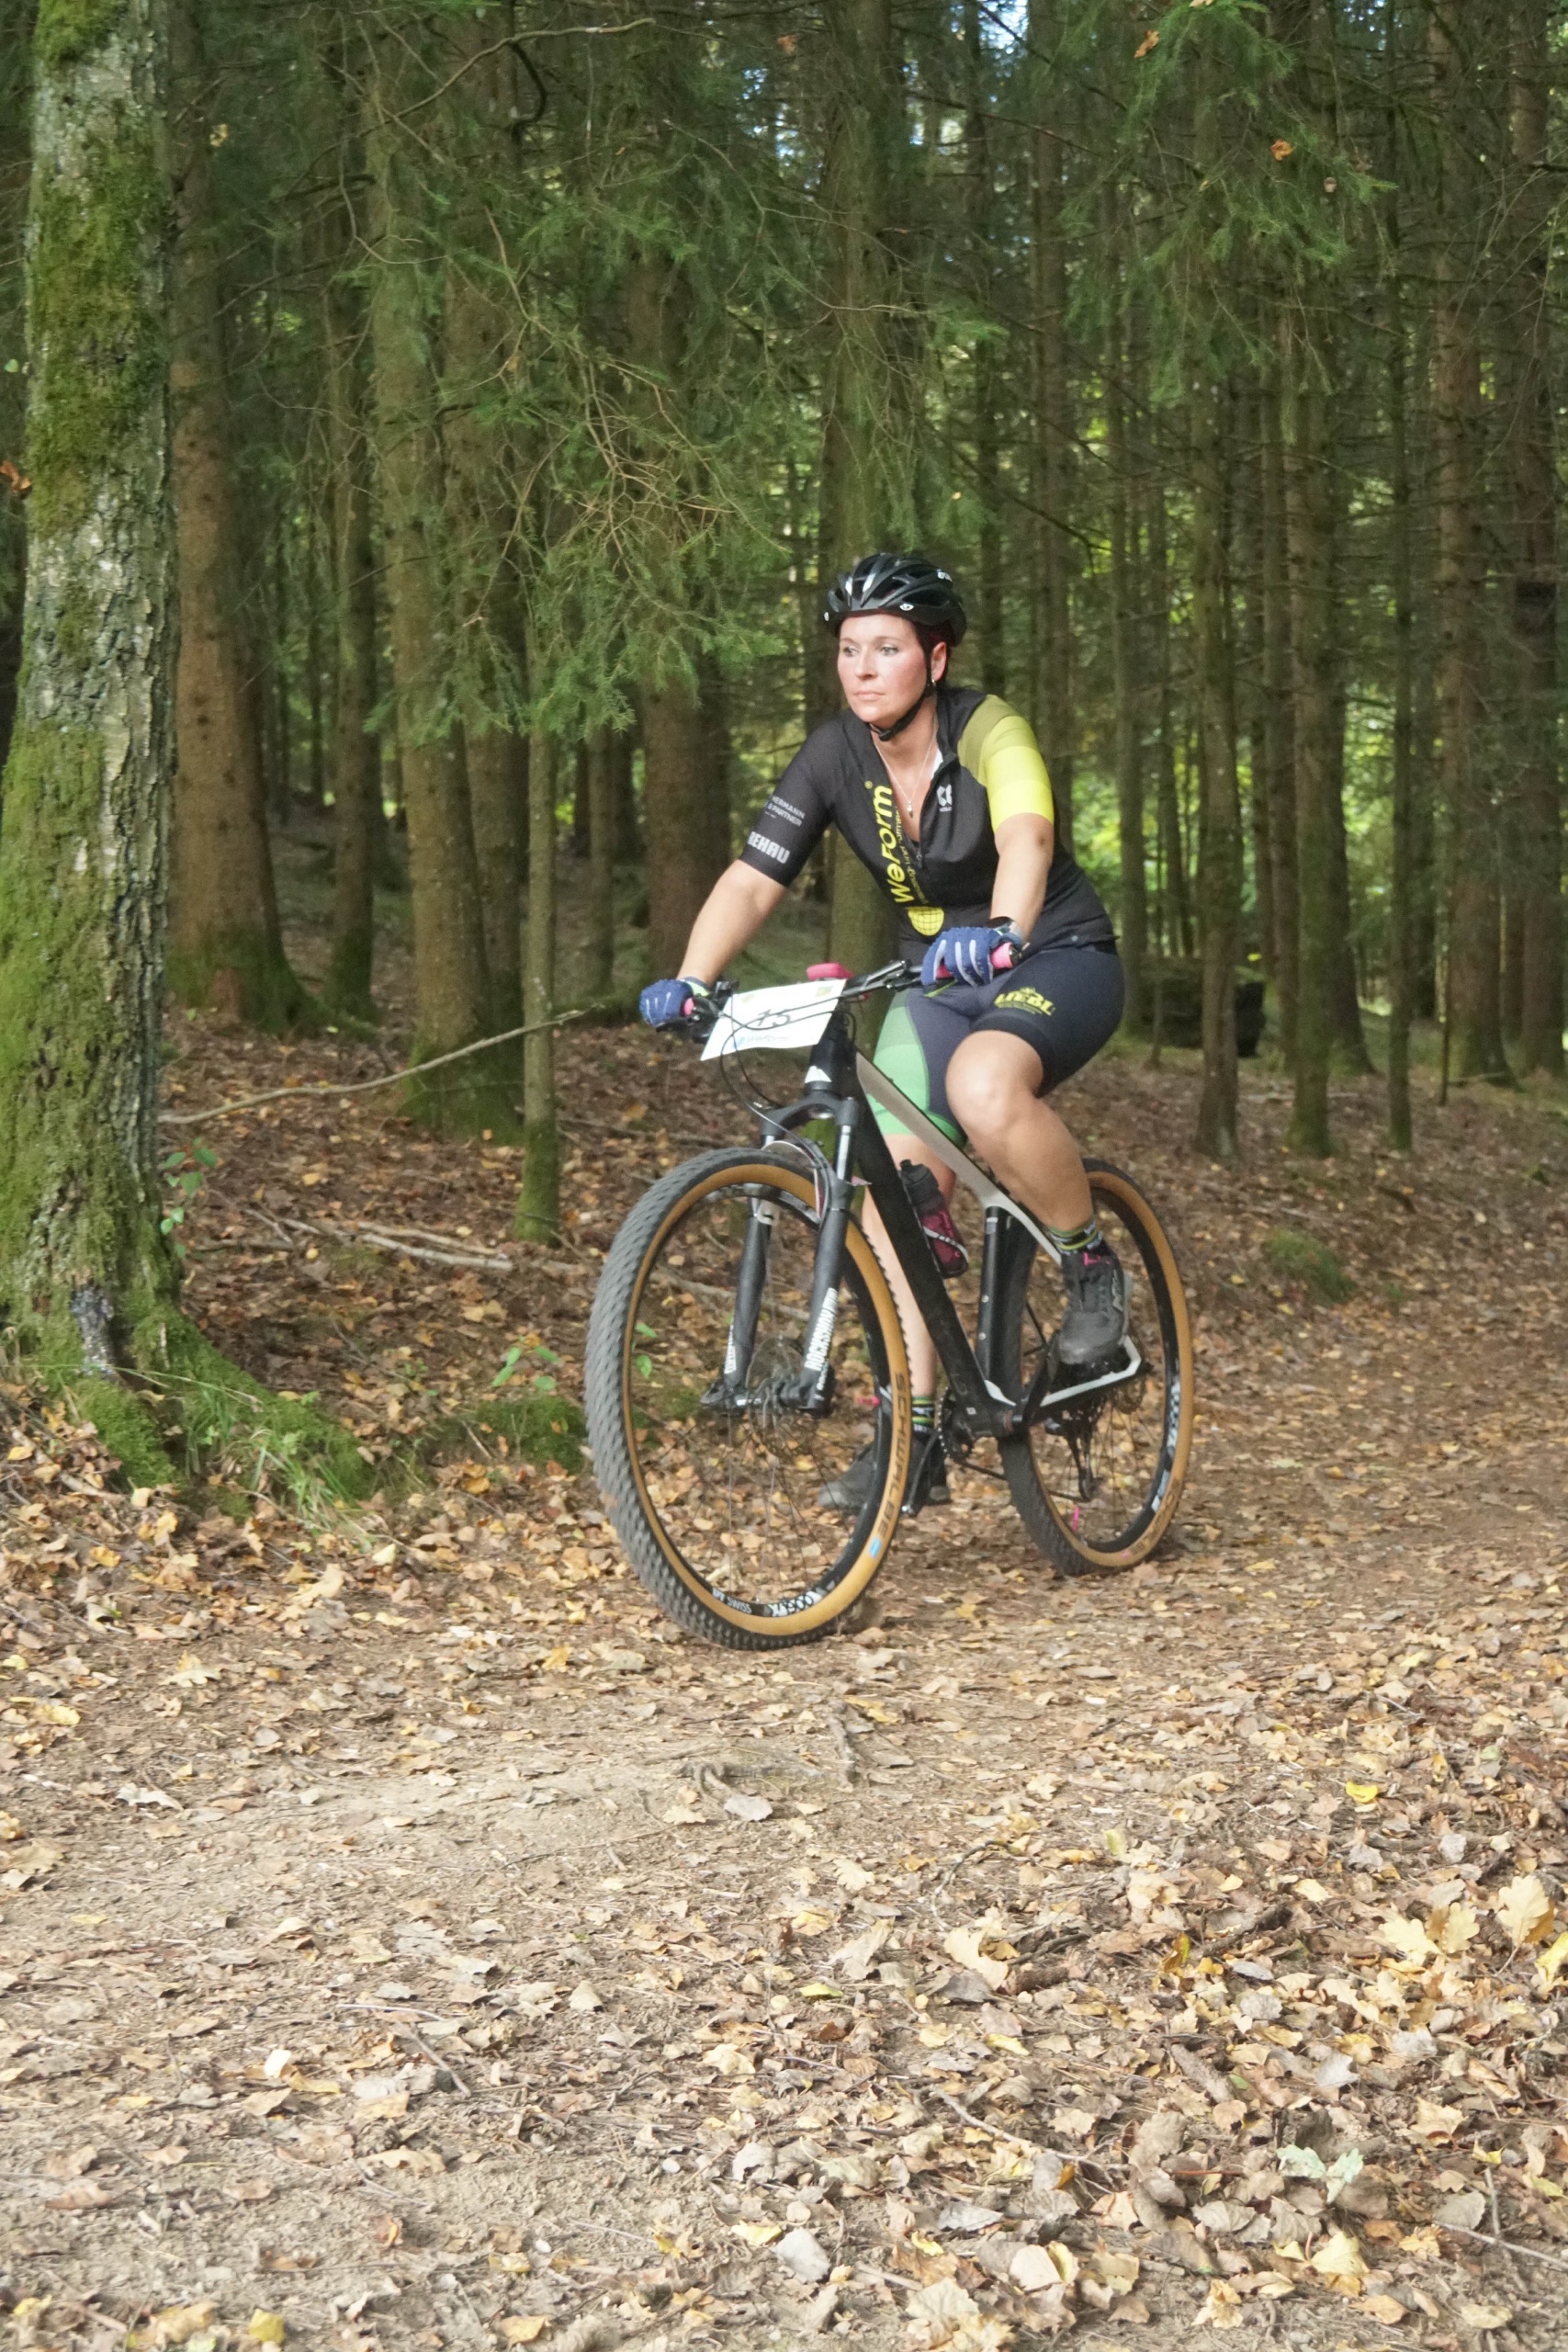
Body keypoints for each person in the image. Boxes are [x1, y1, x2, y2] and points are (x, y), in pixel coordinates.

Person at [638, 551, 1126, 1514]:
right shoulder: (834, 755)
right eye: (849, 649)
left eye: (888, 648)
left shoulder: (988, 730)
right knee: (897, 1198)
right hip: (937, 980)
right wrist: (692, 978)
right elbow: (752, 880)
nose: (862, 667)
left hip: (1054, 955)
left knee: (983, 1089)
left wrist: (1006, 929)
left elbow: (1026, 834)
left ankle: (1091, 1266)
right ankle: (914, 1434)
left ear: (935, 660)